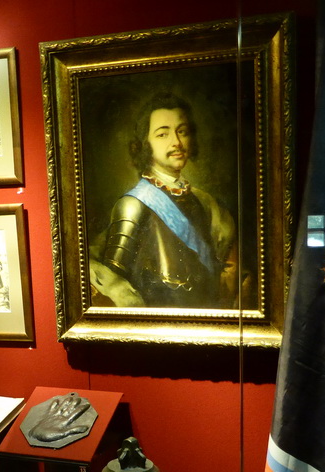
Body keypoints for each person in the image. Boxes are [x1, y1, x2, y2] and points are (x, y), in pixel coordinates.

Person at [91, 92, 239, 309]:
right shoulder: (133, 205)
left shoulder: (205, 203)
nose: (177, 142)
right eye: (162, 134)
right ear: (145, 144)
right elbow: (114, 283)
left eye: (182, 132)